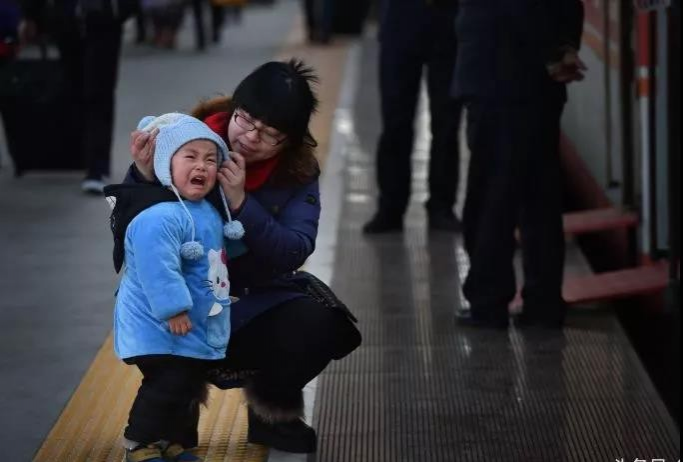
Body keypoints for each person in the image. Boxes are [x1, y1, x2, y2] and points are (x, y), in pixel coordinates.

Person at [126, 59, 362, 454]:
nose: (251, 137)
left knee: (322, 321)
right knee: (160, 318)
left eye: (269, 134)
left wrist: (241, 204)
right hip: (183, 302)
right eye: (246, 119)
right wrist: (142, 176)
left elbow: (294, 250)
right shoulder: (182, 143)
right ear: (233, 108)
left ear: (289, 140)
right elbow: (132, 233)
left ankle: (272, 410)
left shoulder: (297, 170)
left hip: (253, 298)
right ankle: (175, 409)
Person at [106, 113, 244, 462]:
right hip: (157, 325)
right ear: (167, 165)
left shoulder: (207, 210)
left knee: (186, 380)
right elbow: (157, 268)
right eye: (190, 157)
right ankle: (138, 442)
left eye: (211, 159)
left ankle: (173, 442)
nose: (202, 166)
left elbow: (219, 254)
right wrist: (174, 308)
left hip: (186, 328)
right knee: (167, 383)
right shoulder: (160, 215)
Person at [452, 0, 586, 328]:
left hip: (500, 81)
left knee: (491, 202)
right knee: (539, 201)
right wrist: (562, 46)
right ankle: (543, 304)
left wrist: (552, 52)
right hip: (533, 86)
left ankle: (489, 301)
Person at [363, 0, 462, 234]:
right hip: (400, 20)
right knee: (395, 121)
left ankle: (442, 206)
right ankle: (391, 207)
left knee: (447, 123)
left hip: (448, 22)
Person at [18, 0, 134, 194]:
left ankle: (97, 166)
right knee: (76, 89)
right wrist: (32, 15)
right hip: (68, 18)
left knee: (99, 92)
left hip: (103, 18)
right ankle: (83, 157)